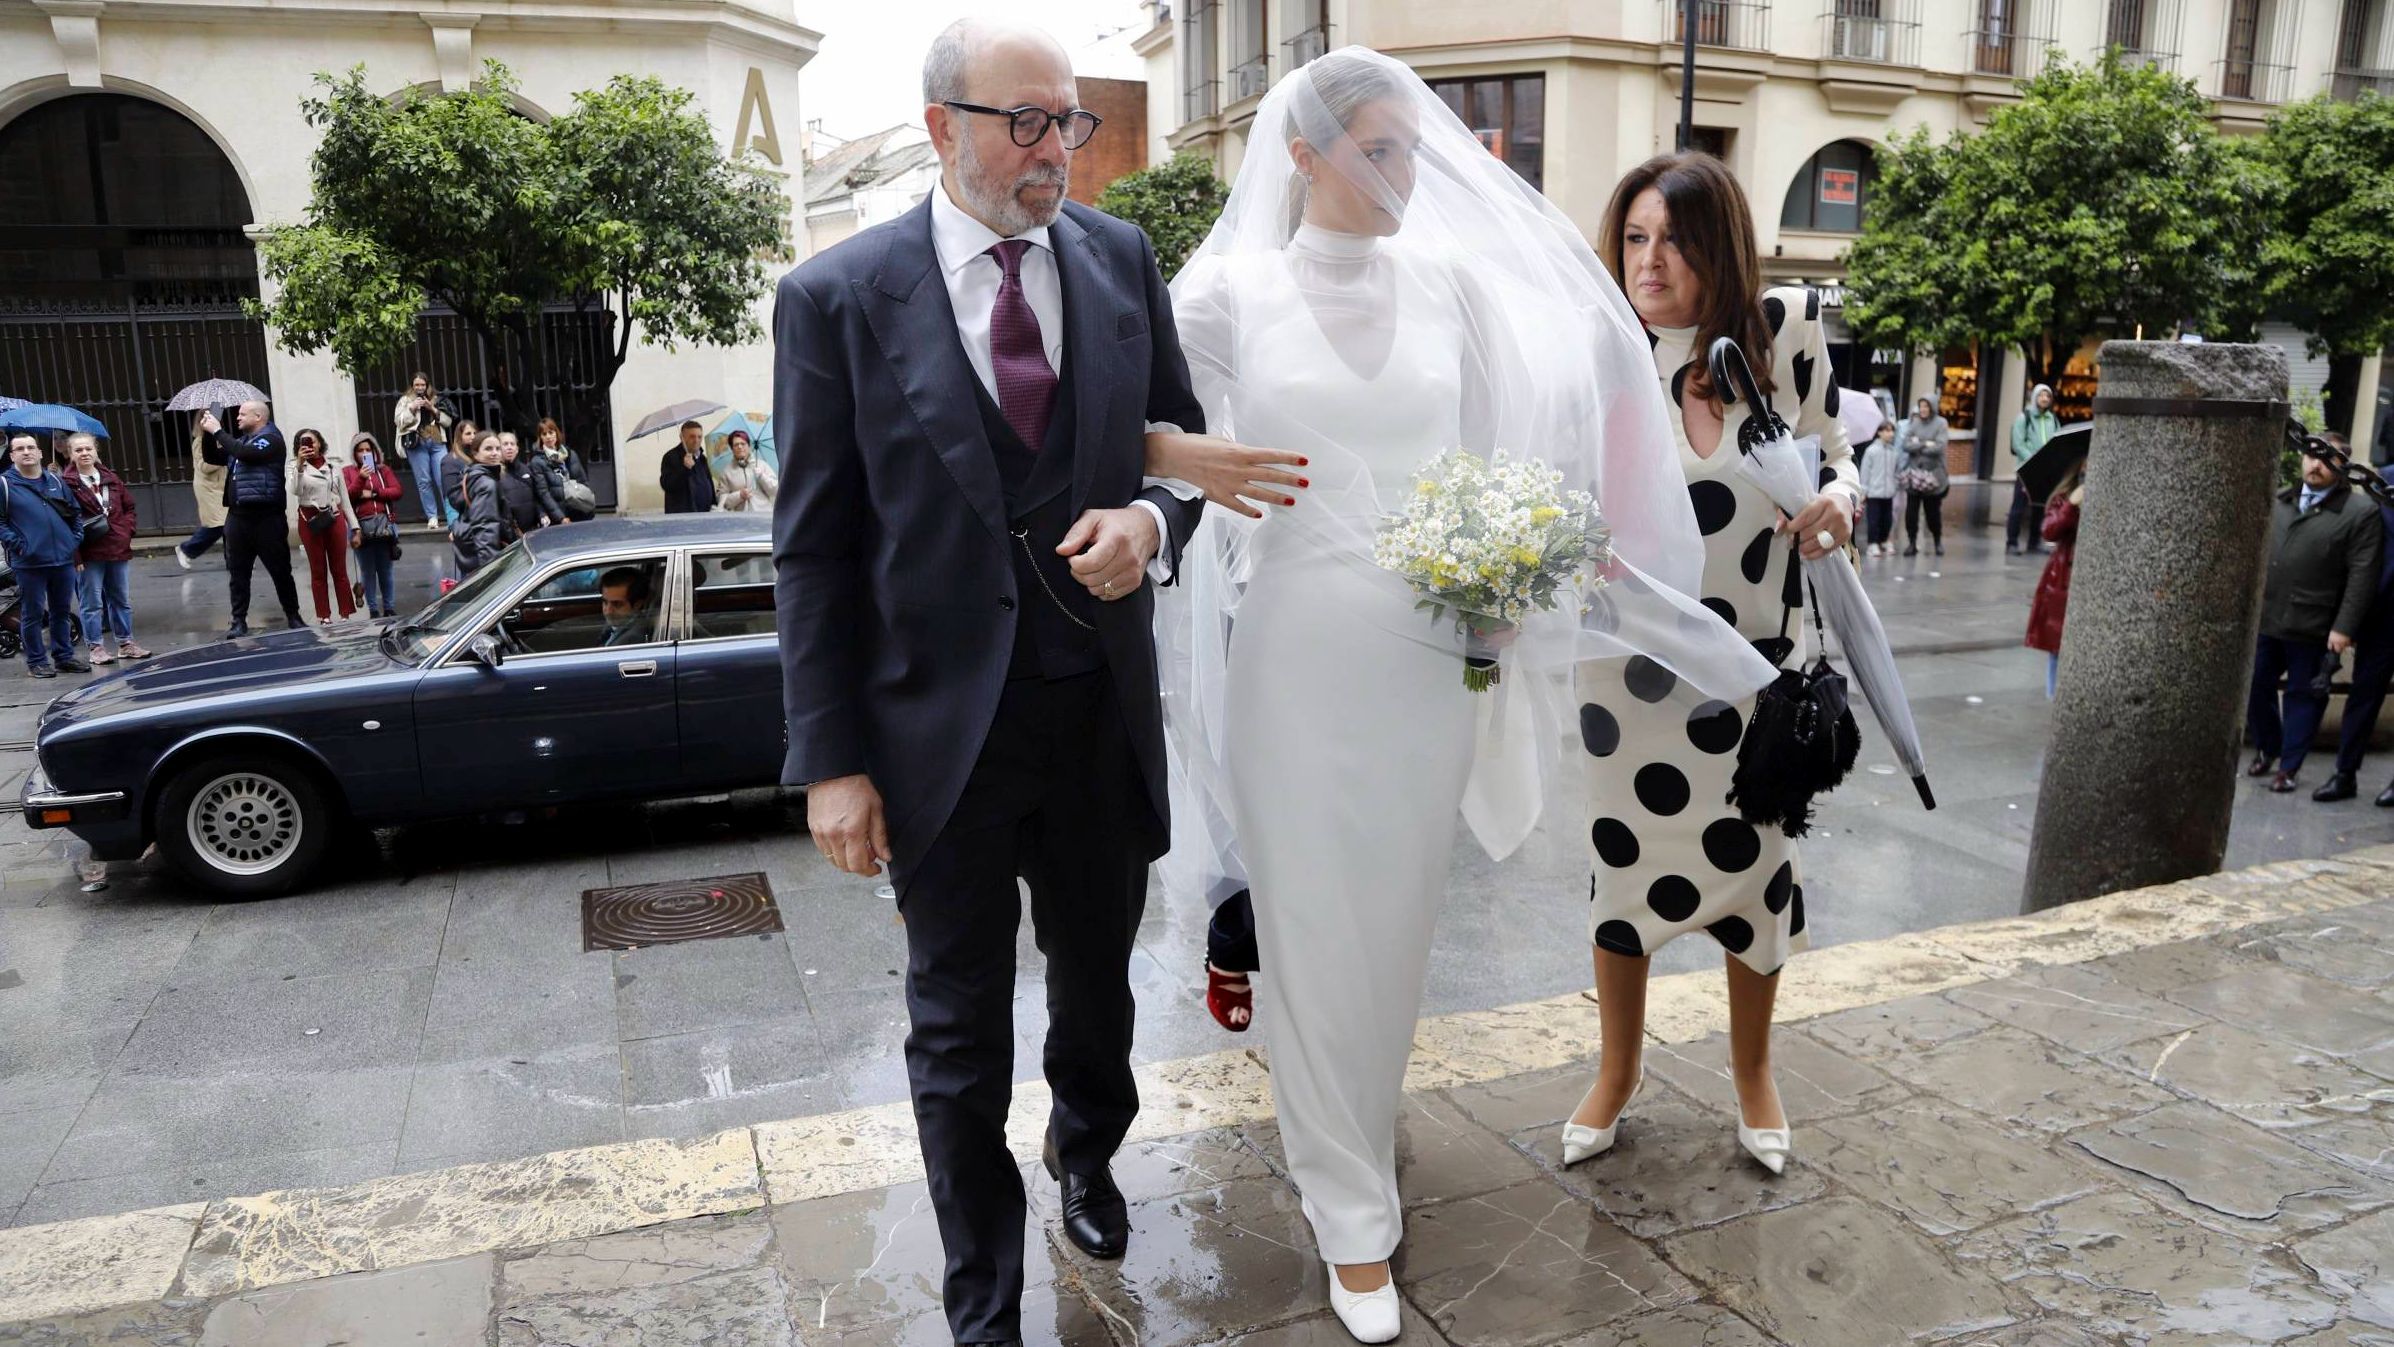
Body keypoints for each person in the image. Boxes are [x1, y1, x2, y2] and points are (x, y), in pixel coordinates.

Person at [1153, 62, 1777, 1343]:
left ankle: (1357, 1117)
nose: (1405, 175)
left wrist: (1514, 573)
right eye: (1378, 152)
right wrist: (1181, 457)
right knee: (1313, 928)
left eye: (1411, 153)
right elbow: (1118, 425)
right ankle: (1350, 1219)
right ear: (1305, 157)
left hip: (1429, 654)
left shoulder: (1451, 288)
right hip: (1295, 652)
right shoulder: (1224, 294)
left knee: (1392, 931)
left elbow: (1510, 455)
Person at [773, 19, 1208, 1345]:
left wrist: (1151, 523)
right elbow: (814, 545)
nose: (1053, 150)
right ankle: (983, 1298)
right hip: (933, 741)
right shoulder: (836, 298)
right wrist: (831, 760)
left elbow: (1175, 458)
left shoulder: (1123, 261)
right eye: (1023, 121)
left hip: (1096, 716)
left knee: (1097, 989)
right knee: (953, 1038)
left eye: (1066, 120)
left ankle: (1089, 1148)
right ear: (938, 127)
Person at [1569, 150, 1858, 1191]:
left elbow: (1836, 453)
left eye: (1674, 239)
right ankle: (1616, 1074)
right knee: (1624, 877)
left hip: (1753, 677)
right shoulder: (1604, 355)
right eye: (1636, 238)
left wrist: (1842, 500)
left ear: (1718, 246)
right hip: (1627, 681)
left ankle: (1754, 1078)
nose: (1651, 261)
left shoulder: (1783, 336)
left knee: (1756, 881)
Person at [2249, 439, 2383, 794]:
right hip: (2268, 616)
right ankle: (2268, 745)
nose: (2316, 465)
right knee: (2254, 684)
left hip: (2315, 625)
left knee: (2303, 696)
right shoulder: (2281, 499)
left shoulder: (2359, 512)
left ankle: (2289, 767)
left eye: (2328, 459)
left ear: (2342, 465)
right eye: (2312, 456)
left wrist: (2344, 627)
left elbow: (2362, 574)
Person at [199, 400, 304, 639]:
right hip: (238, 517)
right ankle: (238, 621)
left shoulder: (272, 439)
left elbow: (245, 454)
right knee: (238, 573)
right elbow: (213, 456)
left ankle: (294, 616)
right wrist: (207, 432)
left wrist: (218, 430)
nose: (237, 418)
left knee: (280, 570)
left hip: (267, 517)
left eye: (242, 414)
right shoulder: (242, 442)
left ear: (259, 416)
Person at [0, 431, 89, 677]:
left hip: (62, 559)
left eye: (31, 447)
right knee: (33, 613)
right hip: (29, 562)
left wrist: (74, 539)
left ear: (39, 452)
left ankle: (64, 657)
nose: (26, 452)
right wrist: (18, 544)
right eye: (20, 449)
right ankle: (37, 662)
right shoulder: (5, 484)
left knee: (61, 611)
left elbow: (74, 512)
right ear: (12, 455)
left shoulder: (56, 481)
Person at [64, 434, 149, 663]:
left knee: (120, 599)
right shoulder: (67, 484)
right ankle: (96, 648)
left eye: (88, 448)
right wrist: (75, 554)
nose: (84, 453)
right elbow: (65, 521)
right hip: (88, 552)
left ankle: (126, 643)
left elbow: (129, 506)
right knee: (91, 602)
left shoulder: (110, 478)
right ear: (71, 454)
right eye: (78, 450)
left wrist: (126, 530)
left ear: (96, 451)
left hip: (116, 547)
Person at [287, 428, 360, 624]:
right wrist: (301, 465)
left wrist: (355, 527)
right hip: (310, 520)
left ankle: (345, 612)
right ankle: (324, 615)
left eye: (313, 441)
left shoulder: (333, 466)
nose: (310, 445)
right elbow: (294, 490)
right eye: (305, 442)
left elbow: (344, 499)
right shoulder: (294, 466)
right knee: (318, 570)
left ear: (320, 443)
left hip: (333, 517)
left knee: (339, 569)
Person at [2024, 462, 2084, 698]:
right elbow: (2049, 531)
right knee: (2058, 647)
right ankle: (2054, 698)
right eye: (2083, 472)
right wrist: (2071, 505)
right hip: (2063, 579)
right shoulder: (2065, 498)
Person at [346, 433, 405, 619]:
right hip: (360, 528)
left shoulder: (383, 470)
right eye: (360, 450)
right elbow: (348, 495)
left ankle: (389, 607)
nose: (364, 454)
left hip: (383, 525)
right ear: (354, 453)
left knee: (385, 569)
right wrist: (361, 478)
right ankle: (373, 609)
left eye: (367, 450)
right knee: (367, 570)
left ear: (374, 451)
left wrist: (373, 493)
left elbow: (397, 491)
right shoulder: (348, 472)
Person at [2007, 382, 2059, 554]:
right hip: (2026, 470)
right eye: (2041, 395)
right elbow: (2018, 443)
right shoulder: (2024, 417)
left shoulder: (2052, 419)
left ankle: (2034, 542)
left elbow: (2056, 441)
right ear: (2035, 397)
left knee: (2039, 506)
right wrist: (2033, 460)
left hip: (2044, 471)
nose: (2044, 399)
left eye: (2047, 396)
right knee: (2019, 506)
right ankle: (2012, 542)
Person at [395, 373, 452, 525]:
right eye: (416, 385)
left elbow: (447, 422)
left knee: (443, 479)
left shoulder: (436, 399)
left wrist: (432, 408)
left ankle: (451, 514)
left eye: (422, 385)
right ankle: (432, 516)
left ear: (427, 385)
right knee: (424, 481)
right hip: (417, 444)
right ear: (412, 386)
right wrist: (412, 409)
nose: (419, 388)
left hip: (437, 442)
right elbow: (398, 421)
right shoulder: (405, 400)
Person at [1898, 396, 1950, 556]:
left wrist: (1917, 444)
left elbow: (1939, 447)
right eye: (1921, 407)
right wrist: (1925, 443)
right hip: (1914, 475)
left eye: (1926, 407)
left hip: (1933, 476)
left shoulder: (1941, 423)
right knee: (1911, 513)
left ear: (1932, 407)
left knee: (1932, 512)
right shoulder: (1914, 423)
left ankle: (1937, 541)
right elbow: (1905, 444)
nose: (1923, 410)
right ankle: (1912, 542)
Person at [177, 415, 229, 570]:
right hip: (209, 489)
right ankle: (186, 549)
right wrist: (223, 457)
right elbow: (203, 466)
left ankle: (233, 559)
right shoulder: (199, 442)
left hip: (221, 487)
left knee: (228, 525)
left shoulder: (219, 439)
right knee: (217, 525)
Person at [452, 432, 506, 578]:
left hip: (470, 555)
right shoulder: (486, 484)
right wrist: (490, 572)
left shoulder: (471, 475)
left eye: (497, 448)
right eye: (488, 449)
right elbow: (485, 526)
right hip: (481, 560)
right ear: (475, 453)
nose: (494, 453)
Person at [497, 431, 558, 535]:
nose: (509, 447)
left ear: (517, 448)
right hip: (511, 533)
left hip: (531, 530)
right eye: (505, 444)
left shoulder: (526, 470)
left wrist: (541, 514)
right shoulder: (497, 474)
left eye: (512, 444)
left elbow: (536, 497)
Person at [536, 418, 596, 522]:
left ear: (556, 433)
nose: (548, 437)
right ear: (540, 438)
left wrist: (587, 503)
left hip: (579, 510)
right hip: (561, 515)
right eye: (544, 434)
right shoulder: (538, 461)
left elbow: (582, 481)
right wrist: (560, 517)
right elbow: (544, 493)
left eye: (551, 432)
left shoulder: (570, 454)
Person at [1858, 419, 1900, 557]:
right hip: (1874, 492)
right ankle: (1872, 544)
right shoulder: (1871, 451)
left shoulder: (1894, 451)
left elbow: (1896, 471)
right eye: (1887, 430)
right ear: (1880, 432)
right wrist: (1864, 491)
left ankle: (1883, 541)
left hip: (1889, 492)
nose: (1890, 433)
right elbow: (1865, 472)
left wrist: (1895, 484)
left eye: (1892, 430)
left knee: (1887, 519)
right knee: (1874, 519)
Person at [659, 420, 717, 513]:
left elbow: (708, 483)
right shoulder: (671, 457)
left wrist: (714, 504)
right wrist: (685, 469)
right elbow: (667, 484)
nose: (696, 440)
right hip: (683, 516)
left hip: (705, 514)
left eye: (699, 437)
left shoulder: (702, 459)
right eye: (692, 437)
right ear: (682, 437)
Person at [717, 430, 777, 513]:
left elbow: (775, 490)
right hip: (741, 519)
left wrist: (761, 476)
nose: (740, 447)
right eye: (736, 445)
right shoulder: (727, 471)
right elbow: (722, 502)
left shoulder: (762, 465)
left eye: (743, 443)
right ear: (732, 449)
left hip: (763, 514)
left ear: (749, 446)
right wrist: (739, 495)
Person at [599, 565, 655, 646]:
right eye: (605, 602)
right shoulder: (616, 625)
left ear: (637, 604)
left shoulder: (632, 640)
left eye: (617, 604)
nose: (608, 611)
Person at [439, 419, 479, 530]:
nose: (473, 436)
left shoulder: (479, 457)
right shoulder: (450, 460)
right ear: (459, 436)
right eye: (468, 433)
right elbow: (450, 493)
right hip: (458, 510)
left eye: (475, 433)